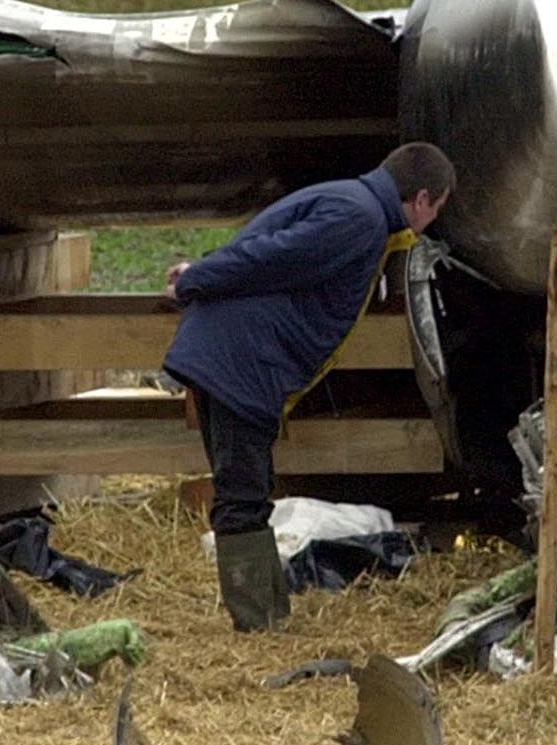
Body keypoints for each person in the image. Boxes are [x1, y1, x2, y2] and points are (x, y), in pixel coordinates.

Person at [162, 142, 455, 630]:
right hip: (241, 362)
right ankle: (258, 625)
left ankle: (268, 616)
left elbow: (269, 252)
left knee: (247, 491)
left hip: (239, 358)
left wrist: (205, 271)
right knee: (242, 497)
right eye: (437, 209)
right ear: (422, 198)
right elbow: (272, 258)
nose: (432, 222)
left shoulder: (353, 205)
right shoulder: (357, 218)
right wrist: (200, 278)